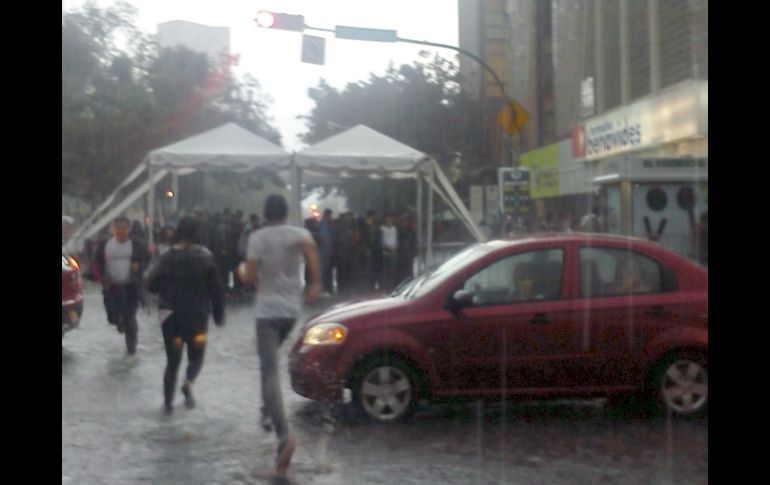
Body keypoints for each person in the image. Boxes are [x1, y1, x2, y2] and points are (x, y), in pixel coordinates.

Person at [237, 194, 321, 478]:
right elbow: (311, 251)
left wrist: (240, 271)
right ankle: (265, 410)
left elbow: (249, 277)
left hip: (267, 313)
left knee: (269, 371)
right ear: (286, 213)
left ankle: (284, 436)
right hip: (291, 311)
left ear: (265, 213)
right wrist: (316, 282)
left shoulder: (257, 238)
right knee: (269, 367)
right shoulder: (300, 233)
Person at [145, 216, 225, 415]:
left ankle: (167, 406)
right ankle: (188, 382)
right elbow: (216, 290)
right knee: (196, 356)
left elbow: (150, 284)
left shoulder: (166, 256)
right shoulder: (206, 257)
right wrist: (218, 314)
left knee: (172, 361)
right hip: (197, 316)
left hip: (169, 315)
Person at [93, 216, 150, 355]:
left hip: (131, 287)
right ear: (113, 229)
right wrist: (100, 277)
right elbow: (96, 262)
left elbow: (147, 259)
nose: (120, 231)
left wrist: (139, 267)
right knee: (112, 316)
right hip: (112, 288)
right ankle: (120, 323)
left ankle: (131, 348)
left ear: (128, 229)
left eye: (123, 228)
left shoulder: (137, 245)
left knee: (130, 316)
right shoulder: (106, 245)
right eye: (118, 228)